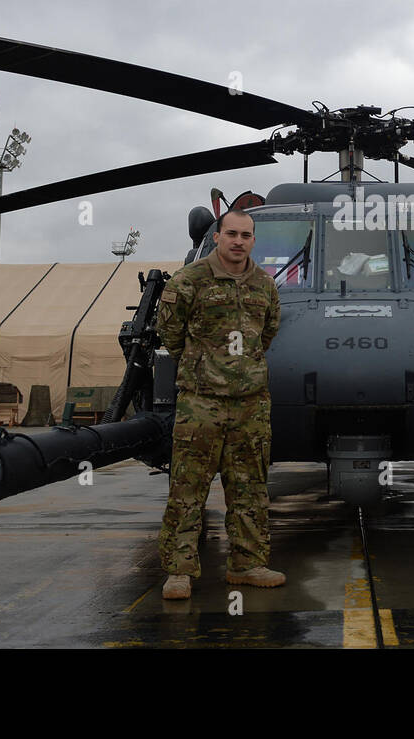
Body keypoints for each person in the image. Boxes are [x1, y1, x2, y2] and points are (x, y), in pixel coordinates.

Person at [157, 208, 284, 599]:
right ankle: (179, 571)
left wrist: (239, 374)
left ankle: (248, 563)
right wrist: (203, 369)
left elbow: (267, 332)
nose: (238, 241)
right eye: (231, 233)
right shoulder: (189, 280)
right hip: (201, 403)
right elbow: (170, 332)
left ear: (253, 240)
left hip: (250, 403)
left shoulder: (264, 285)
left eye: (246, 235)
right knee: (187, 488)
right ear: (217, 236)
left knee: (249, 488)